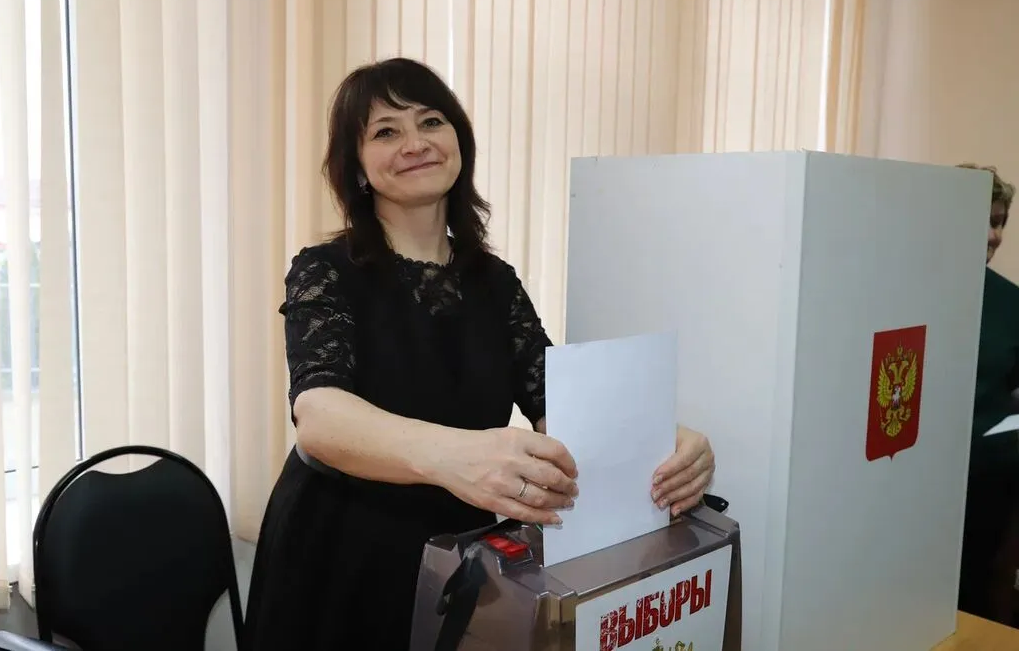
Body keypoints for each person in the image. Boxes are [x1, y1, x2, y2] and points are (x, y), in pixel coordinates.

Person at [242, 57, 717, 649]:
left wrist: (664, 446)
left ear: (458, 141)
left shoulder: (495, 282)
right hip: (341, 547)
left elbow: (558, 407)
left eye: (430, 121)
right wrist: (452, 456)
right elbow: (320, 414)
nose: (415, 143)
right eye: (386, 131)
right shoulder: (326, 270)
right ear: (357, 166)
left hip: (460, 546)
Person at [957, 163, 1019, 622]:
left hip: (989, 485)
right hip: (913, 480)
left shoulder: (1011, 303)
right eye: (984, 220)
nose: (994, 235)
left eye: (1000, 222)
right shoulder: (900, 290)